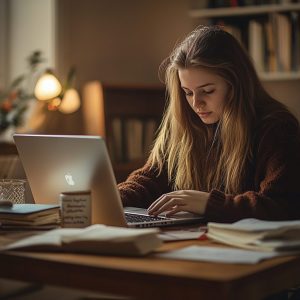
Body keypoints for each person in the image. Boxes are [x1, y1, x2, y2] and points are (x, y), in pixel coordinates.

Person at [118, 25, 300, 223]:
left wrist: (208, 204)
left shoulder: (277, 128)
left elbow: (284, 206)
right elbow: (150, 180)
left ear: (235, 85)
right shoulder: (187, 123)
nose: (196, 103)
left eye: (208, 90)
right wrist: (113, 198)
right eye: (188, 92)